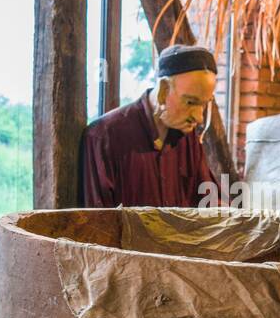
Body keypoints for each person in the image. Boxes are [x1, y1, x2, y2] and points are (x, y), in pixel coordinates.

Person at [81, 44, 219, 209]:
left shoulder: (188, 138)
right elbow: (97, 222)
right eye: (190, 102)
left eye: (204, 105)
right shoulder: (105, 136)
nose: (198, 117)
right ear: (163, 91)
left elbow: (209, 204)